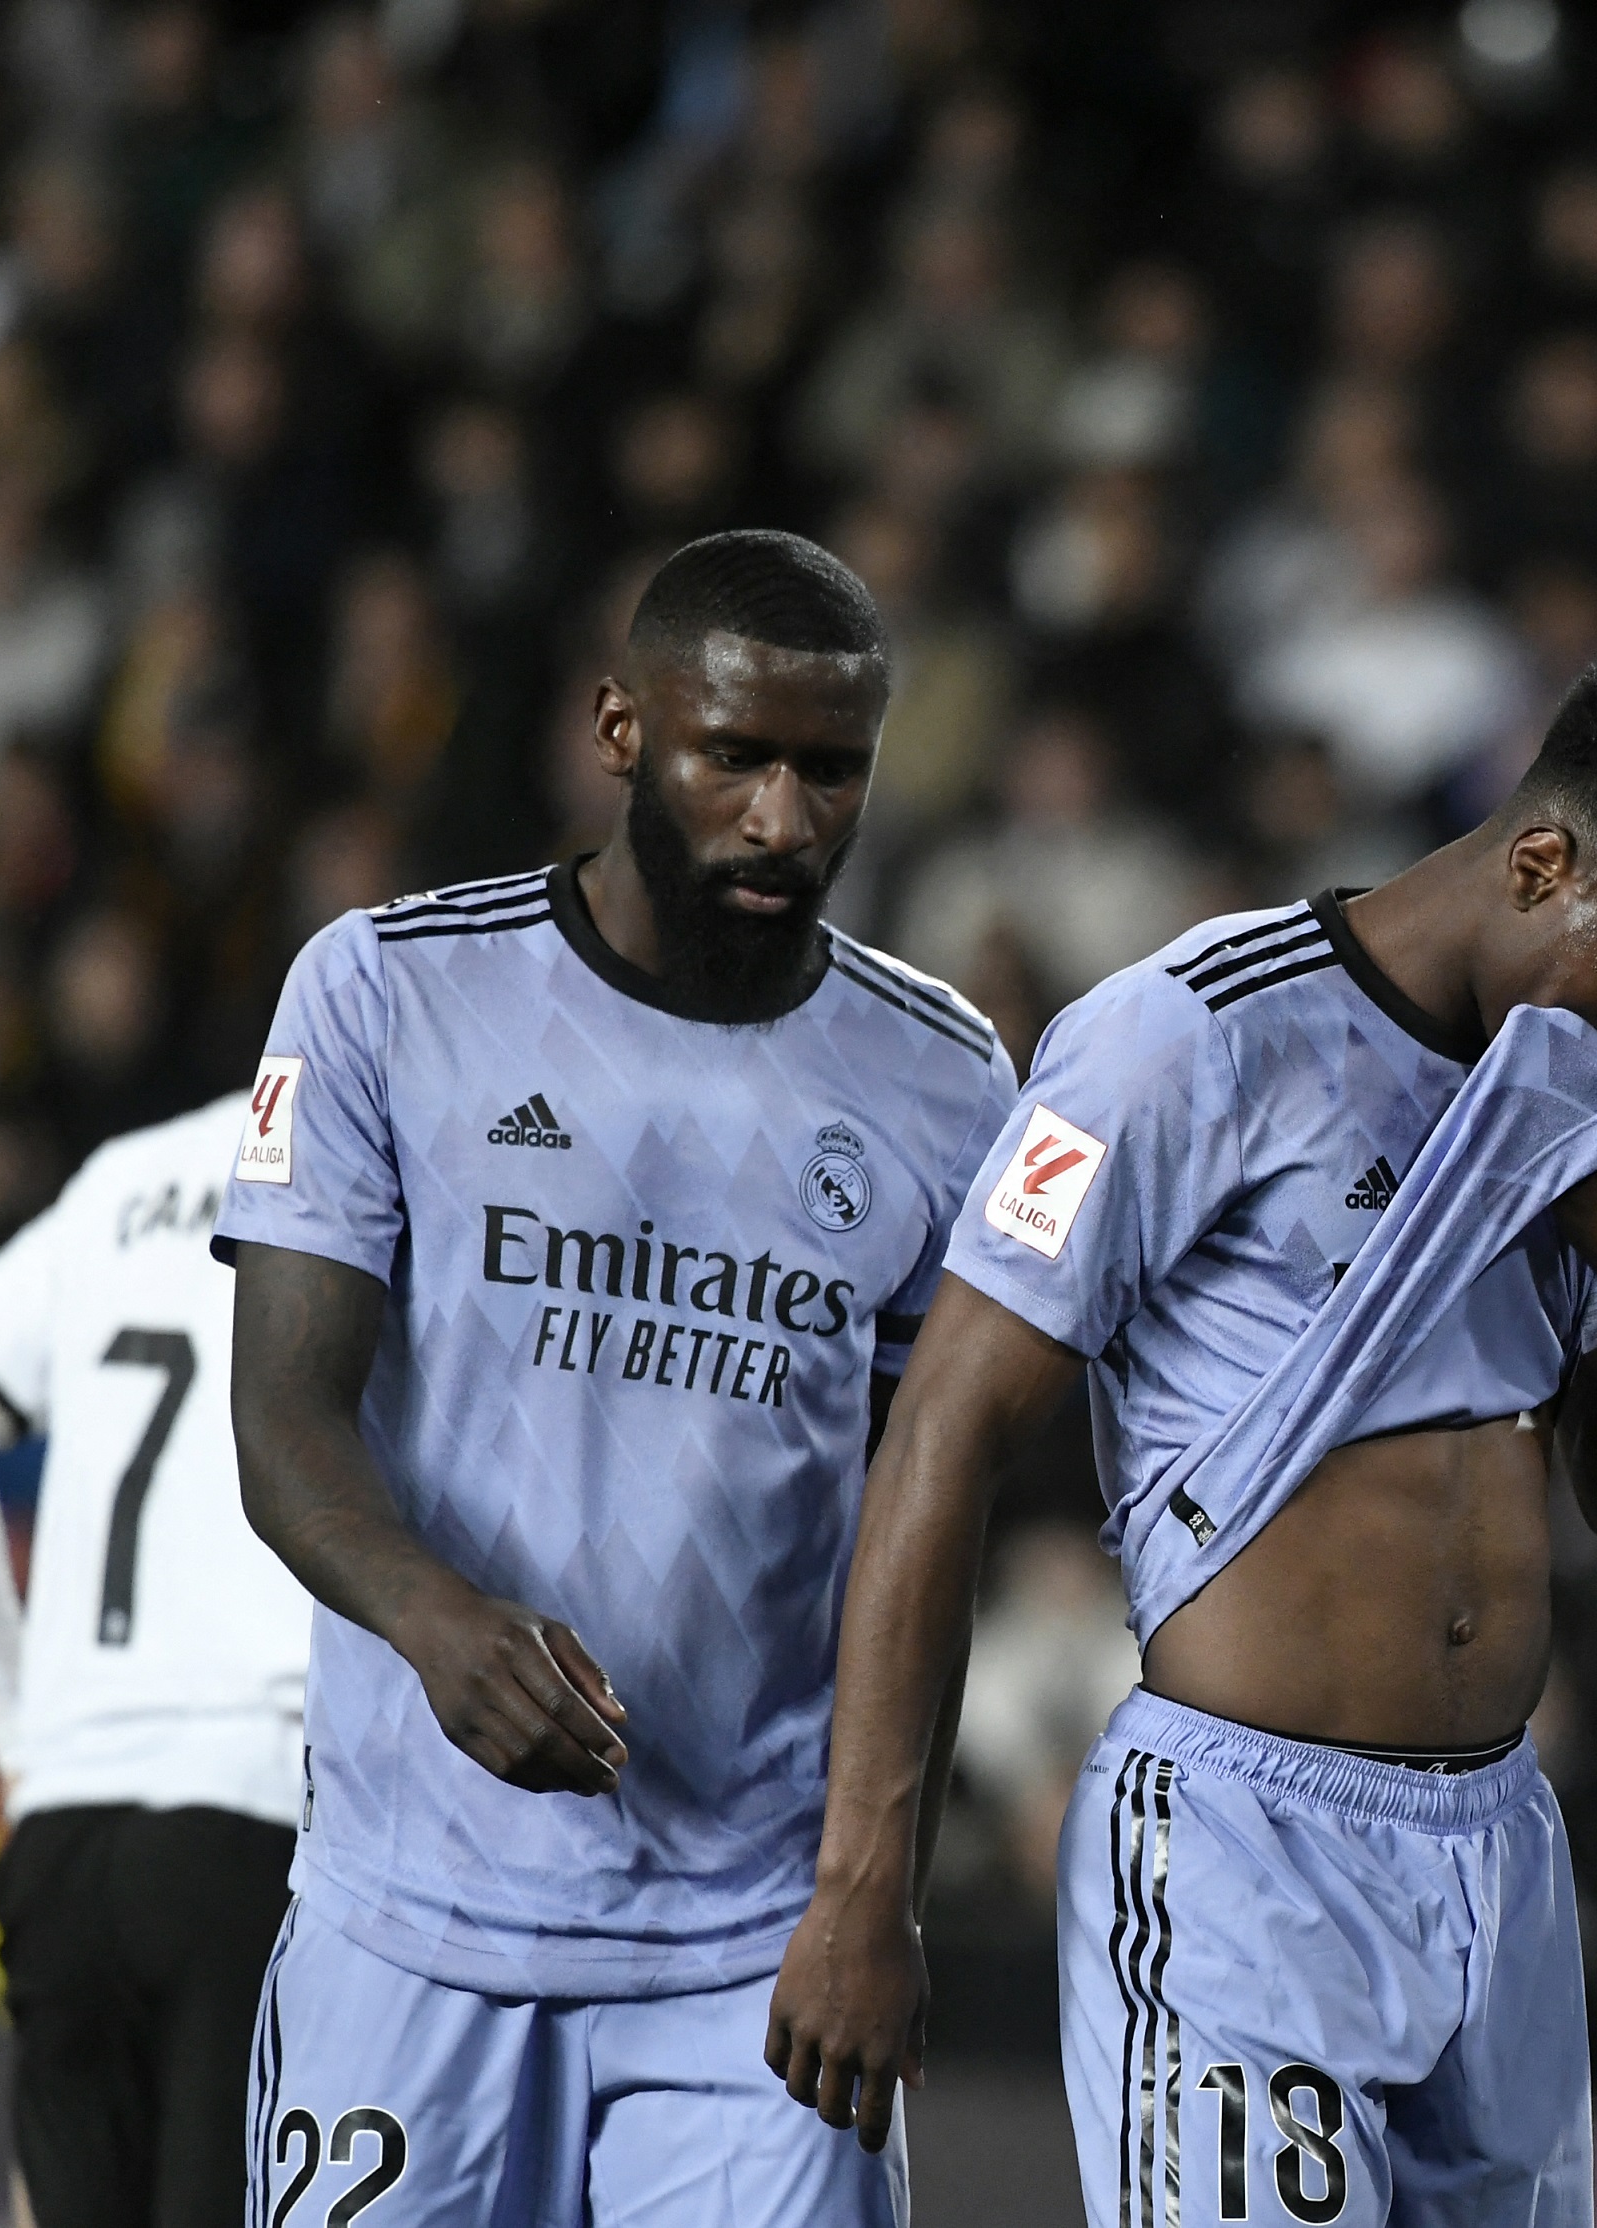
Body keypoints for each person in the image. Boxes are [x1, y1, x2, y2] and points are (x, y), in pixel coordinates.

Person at [764, 660, 1597, 2224]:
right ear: (1541, 861)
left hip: (1498, 1850)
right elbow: (939, 1435)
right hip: (1241, 1845)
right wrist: (866, 1888)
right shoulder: (1189, 1035)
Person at [216, 529, 1012, 2228]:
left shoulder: (945, 1077)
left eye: (832, 770)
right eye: (737, 756)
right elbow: (285, 1421)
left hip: (752, 1943)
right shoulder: (389, 990)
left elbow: (928, 1511)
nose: (784, 821)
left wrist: (875, 1889)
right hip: (410, 1916)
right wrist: (435, 1619)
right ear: (621, 728)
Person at [0, 1088, 304, 2227]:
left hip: (67, 1824)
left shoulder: (120, 1177)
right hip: (255, 1812)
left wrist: (25, 1730)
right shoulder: (393, 1172)